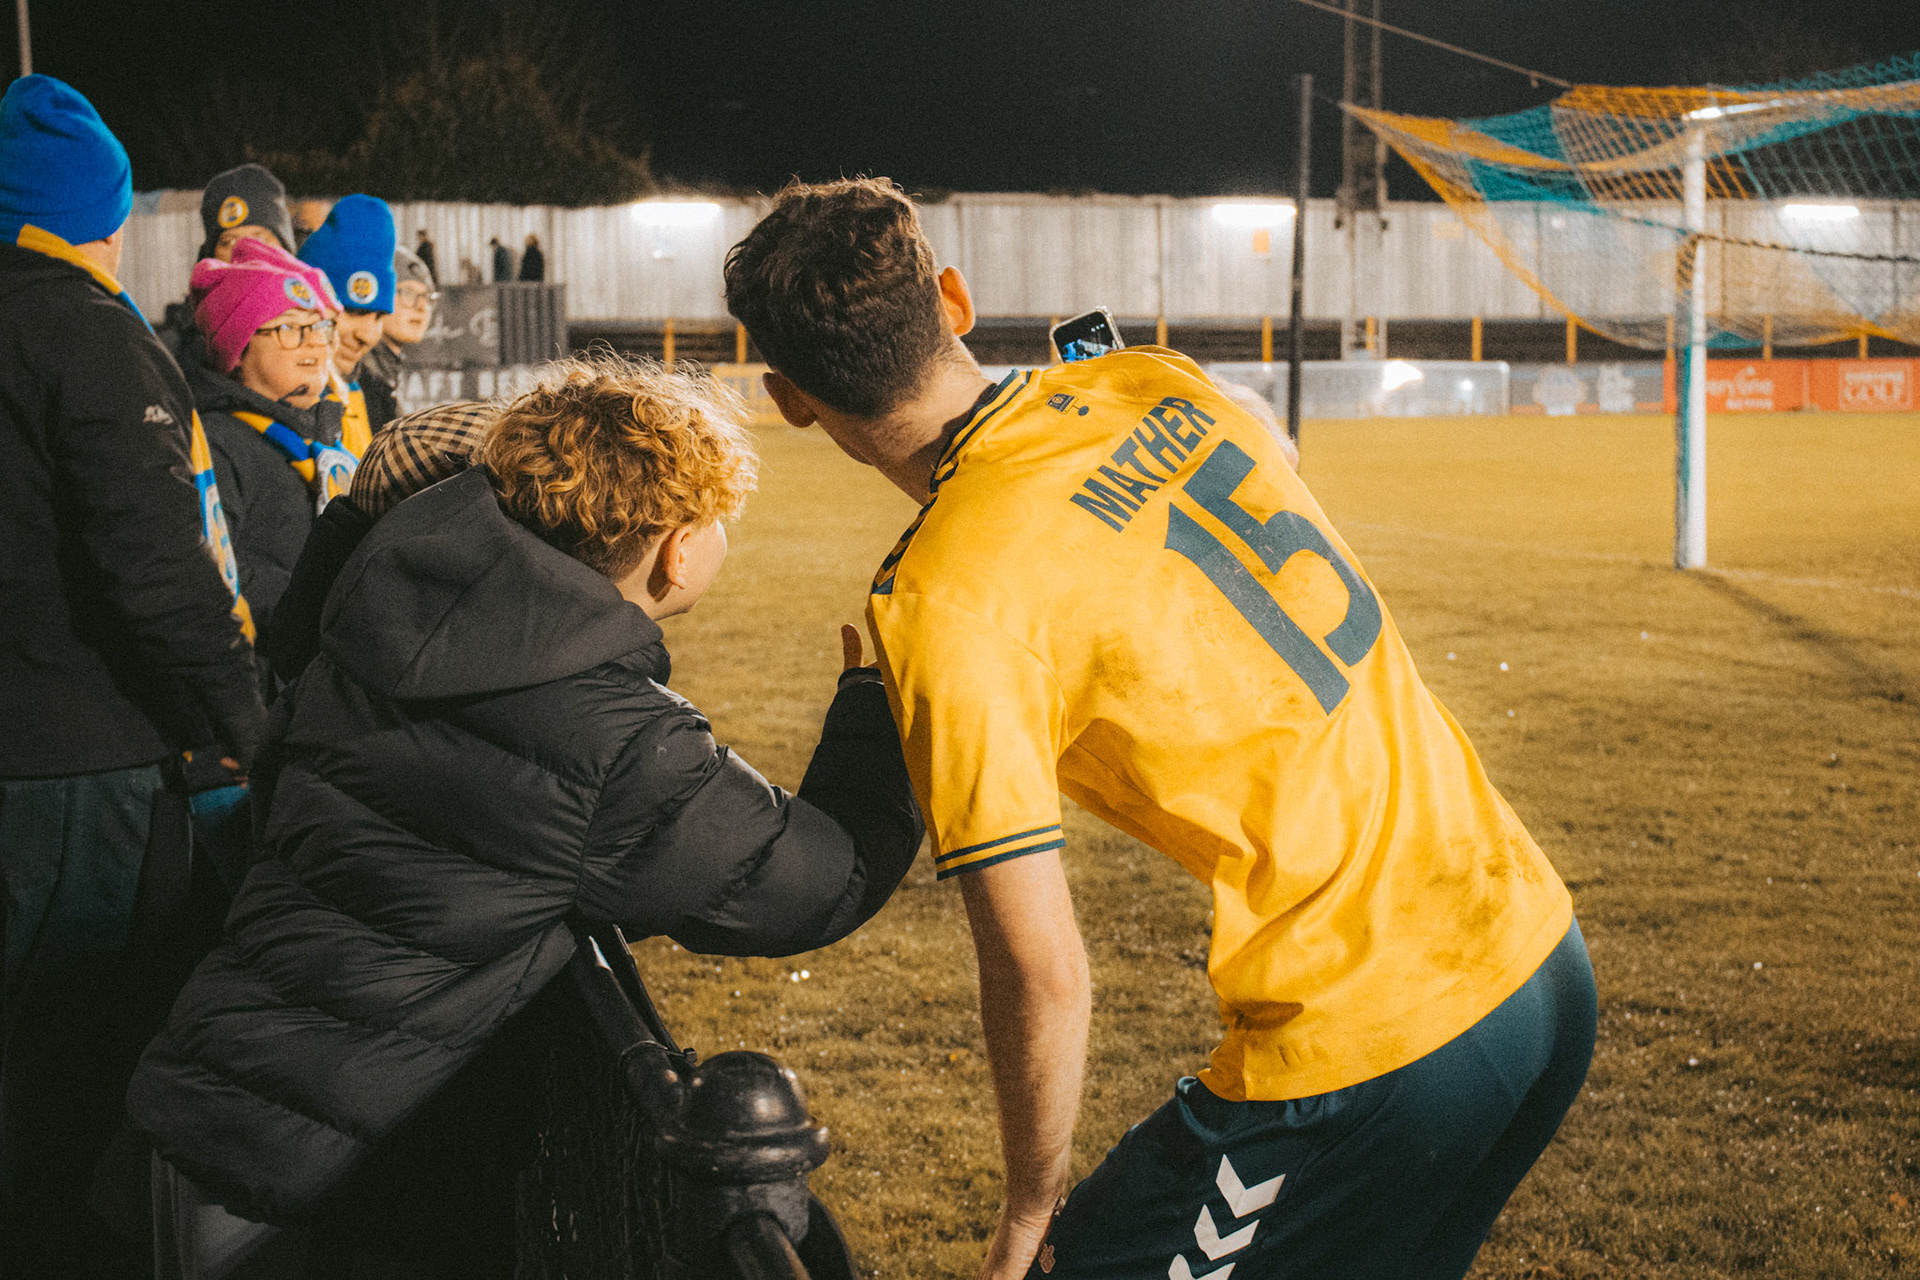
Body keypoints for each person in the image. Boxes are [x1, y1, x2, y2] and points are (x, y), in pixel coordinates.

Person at [724, 179, 1596, 1280]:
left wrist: (1029, 1207)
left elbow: (1040, 966)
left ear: (790, 399)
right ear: (954, 297)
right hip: (1537, 951)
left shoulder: (947, 599)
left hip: (1379, 1034)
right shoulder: (1150, 379)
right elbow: (1267, 454)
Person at [129, 356, 923, 1274]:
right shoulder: (615, 739)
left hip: (212, 1089)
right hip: (316, 1176)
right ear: (676, 548)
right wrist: (881, 709)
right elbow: (820, 881)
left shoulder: (384, 597)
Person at [0, 75, 267, 1278]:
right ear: (96, 217)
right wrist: (251, 719)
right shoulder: (85, 334)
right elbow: (156, 569)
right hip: (77, 769)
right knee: (74, 1067)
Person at [188, 236, 351, 652]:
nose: (313, 343)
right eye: (289, 328)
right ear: (238, 350)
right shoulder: (216, 444)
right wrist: (324, 603)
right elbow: (212, 570)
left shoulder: (326, 439)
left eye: (319, 327)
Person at [156, 162, 298, 366]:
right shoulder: (177, 351)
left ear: (286, 249)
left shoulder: (321, 330)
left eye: (259, 239)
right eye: (228, 242)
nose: (245, 253)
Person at [298, 192, 397, 436]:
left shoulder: (374, 399)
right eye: (353, 312)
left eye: (379, 316)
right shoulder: (275, 402)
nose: (368, 335)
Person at [358, 244, 434, 412]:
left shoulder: (383, 375)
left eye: (427, 296)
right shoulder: (363, 379)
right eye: (408, 293)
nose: (421, 306)